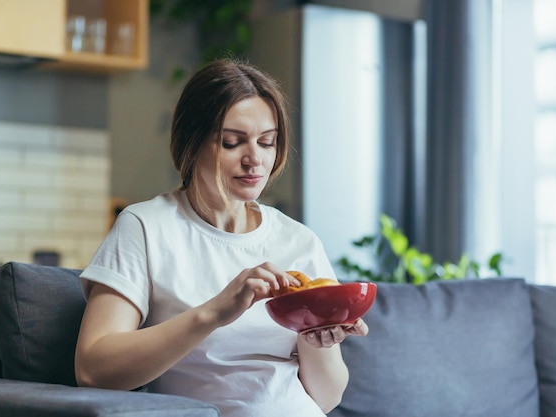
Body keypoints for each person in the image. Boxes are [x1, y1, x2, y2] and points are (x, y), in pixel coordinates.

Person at [74, 58, 369, 417]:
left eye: (267, 142)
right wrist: (213, 313)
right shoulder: (146, 227)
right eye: (232, 143)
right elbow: (93, 369)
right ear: (191, 142)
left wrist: (316, 339)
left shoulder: (299, 241)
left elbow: (326, 398)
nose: (255, 160)